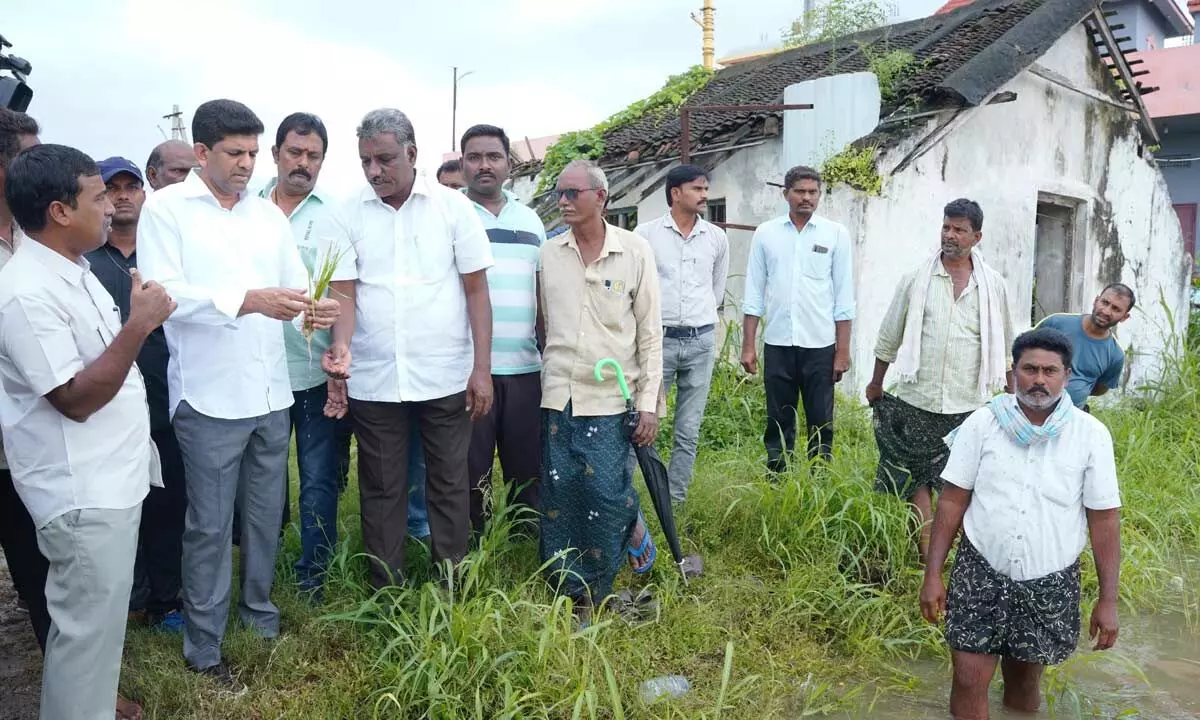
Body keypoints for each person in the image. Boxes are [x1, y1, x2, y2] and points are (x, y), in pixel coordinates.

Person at [138, 99, 339, 691]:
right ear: (202, 153)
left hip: (271, 391)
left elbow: (293, 288)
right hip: (208, 397)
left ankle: (260, 617)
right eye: (235, 153)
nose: (249, 164)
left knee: (263, 517)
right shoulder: (168, 210)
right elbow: (164, 292)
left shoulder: (265, 217)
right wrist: (249, 300)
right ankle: (204, 645)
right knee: (206, 526)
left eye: (253, 153)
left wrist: (314, 308)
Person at [0, 143, 176, 720]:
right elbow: (74, 399)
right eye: (98, 196)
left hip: (110, 481)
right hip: (81, 493)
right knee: (82, 639)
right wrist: (138, 325)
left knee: (98, 636)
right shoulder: (25, 292)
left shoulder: (74, 269)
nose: (112, 207)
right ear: (59, 211)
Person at [323, 108, 493, 589]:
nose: (374, 171)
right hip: (375, 378)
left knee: (448, 483)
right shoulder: (347, 211)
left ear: (412, 154)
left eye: (384, 159)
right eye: (365, 161)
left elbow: (477, 292)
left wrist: (482, 369)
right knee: (380, 488)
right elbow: (344, 294)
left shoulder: (453, 208)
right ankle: (385, 591)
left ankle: (453, 584)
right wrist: (341, 353)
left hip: (445, 375)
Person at [921, 327, 1122, 720]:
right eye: (1030, 369)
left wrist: (1108, 600)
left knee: (1024, 683)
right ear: (1014, 373)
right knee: (967, 678)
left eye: (1050, 370)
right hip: (980, 570)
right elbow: (952, 499)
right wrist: (933, 574)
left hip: (1049, 577)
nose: (1039, 379)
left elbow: (1105, 520)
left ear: (1067, 376)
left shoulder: (1091, 435)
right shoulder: (982, 423)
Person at [537, 159, 663, 620]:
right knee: (560, 492)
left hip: (612, 398)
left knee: (606, 494)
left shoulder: (634, 252)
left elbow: (650, 334)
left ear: (600, 198)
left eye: (573, 193)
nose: (563, 202)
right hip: (559, 393)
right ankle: (574, 592)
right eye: (559, 194)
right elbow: (544, 322)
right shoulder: (549, 253)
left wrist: (648, 405)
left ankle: (608, 568)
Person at [866, 199, 1015, 563]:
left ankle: (959, 557)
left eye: (959, 229)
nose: (950, 235)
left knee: (959, 484)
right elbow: (890, 334)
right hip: (917, 397)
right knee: (915, 479)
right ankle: (926, 557)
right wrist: (876, 382)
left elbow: (1009, 347)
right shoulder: (916, 278)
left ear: (976, 237)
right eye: (946, 227)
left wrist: (1013, 397)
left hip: (969, 404)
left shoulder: (993, 286)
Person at [258, 113, 359, 597]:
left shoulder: (334, 214)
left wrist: (341, 350)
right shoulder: (247, 210)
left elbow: (344, 294)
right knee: (263, 480)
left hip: (315, 374)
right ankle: (261, 567)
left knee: (318, 477)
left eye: (313, 156)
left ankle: (312, 574)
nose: (303, 163)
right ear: (276, 153)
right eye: (294, 153)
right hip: (257, 374)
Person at [86, 157, 187, 632]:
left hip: (166, 403)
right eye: (112, 189)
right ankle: (132, 599)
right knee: (121, 511)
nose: (123, 195)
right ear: (99, 198)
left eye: (132, 187)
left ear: (146, 193)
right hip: (107, 406)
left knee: (168, 506)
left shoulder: (163, 252)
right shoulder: (85, 261)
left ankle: (168, 600)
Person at [459, 124, 545, 534]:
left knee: (526, 465)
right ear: (462, 165)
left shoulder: (531, 220)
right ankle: (476, 543)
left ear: (509, 164)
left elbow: (543, 291)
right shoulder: (450, 214)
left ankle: (525, 540)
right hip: (469, 368)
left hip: (526, 367)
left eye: (493, 156)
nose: (484, 165)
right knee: (471, 468)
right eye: (474, 157)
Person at [741, 166, 855, 470]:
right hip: (778, 343)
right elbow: (754, 293)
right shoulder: (766, 233)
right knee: (778, 419)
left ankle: (819, 480)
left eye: (813, 192)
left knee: (821, 419)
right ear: (786, 194)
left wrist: (842, 351)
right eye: (800, 191)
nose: (807, 197)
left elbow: (844, 299)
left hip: (819, 345)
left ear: (819, 195)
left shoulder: (835, 234)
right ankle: (777, 481)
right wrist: (748, 346)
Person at [634, 164, 728, 504]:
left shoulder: (716, 237)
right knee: (644, 421)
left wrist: (699, 320)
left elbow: (716, 290)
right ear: (676, 193)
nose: (705, 195)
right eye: (698, 189)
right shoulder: (645, 235)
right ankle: (626, 497)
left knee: (688, 428)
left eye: (706, 189)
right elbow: (637, 288)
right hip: (658, 340)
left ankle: (674, 502)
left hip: (701, 341)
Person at [0, 108, 51, 648]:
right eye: (27, 158)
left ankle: (73, 684)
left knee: (41, 566)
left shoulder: (38, 234)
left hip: (33, 439)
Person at [1035, 284, 1132, 411]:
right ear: (1096, 300)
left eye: (1116, 309)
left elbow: (1099, 389)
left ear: (1124, 317)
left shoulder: (1115, 354)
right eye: (1105, 302)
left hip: (1073, 419)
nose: (1106, 311)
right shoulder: (1056, 323)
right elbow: (1023, 356)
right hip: (1032, 409)